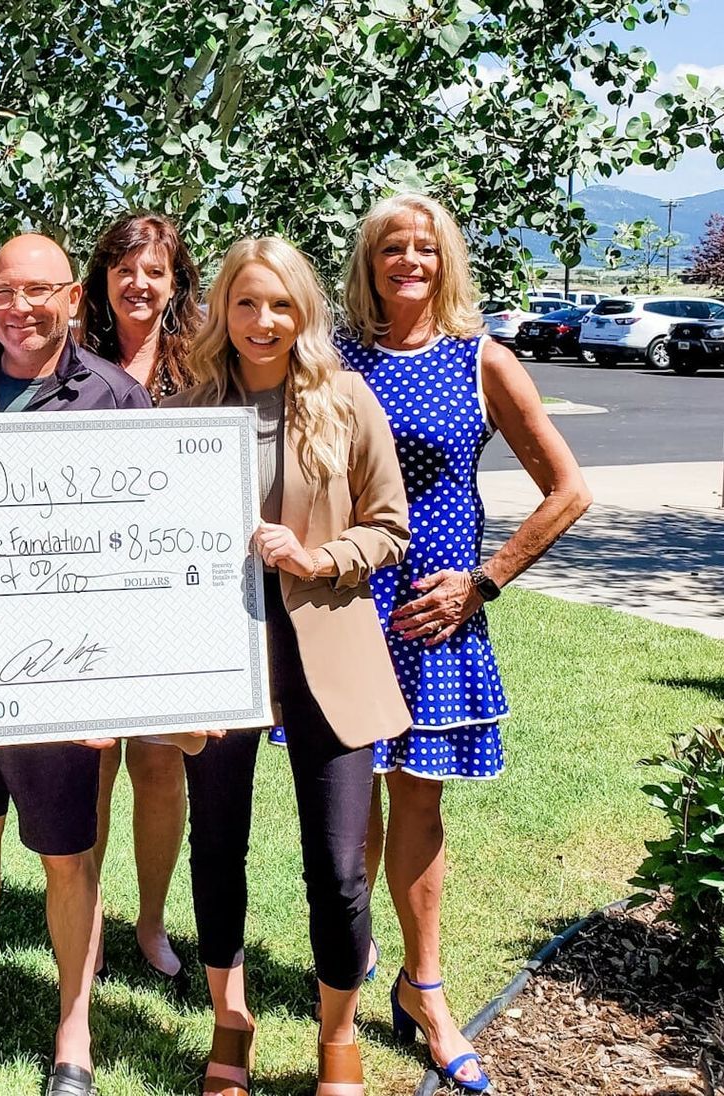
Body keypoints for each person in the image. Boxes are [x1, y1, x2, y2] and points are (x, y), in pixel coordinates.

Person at [339, 194, 591, 1093]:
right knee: (344, 804)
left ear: (447, 262)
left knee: (416, 803)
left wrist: (484, 580)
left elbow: (568, 489)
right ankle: (353, 955)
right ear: (367, 263)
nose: (409, 262)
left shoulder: (481, 359)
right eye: (391, 249)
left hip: (435, 617)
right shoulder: (330, 357)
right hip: (339, 611)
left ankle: (426, 988)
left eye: (425, 249)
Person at [161, 235, 411, 1096]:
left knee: (339, 867)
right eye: (245, 303)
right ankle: (231, 1024)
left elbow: (388, 527)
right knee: (216, 847)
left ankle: (337, 1040)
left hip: (328, 659)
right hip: (221, 658)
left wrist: (318, 558)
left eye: (279, 305)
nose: (262, 321)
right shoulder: (188, 409)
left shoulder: (347, 402)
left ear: (303, 311)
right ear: (221, 312)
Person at [0, 234, 148, 1096]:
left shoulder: (117, 397)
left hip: (62, 669)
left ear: (73, 296)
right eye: (5, 291)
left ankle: (72, 1025)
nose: (20, 308)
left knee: (65, 853)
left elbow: (139, 549)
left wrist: (115, 683)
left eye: (39, 291)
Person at [76, 211, 204, 993]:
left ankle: (150, 921)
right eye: (125, 269)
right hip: (87, 598)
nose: (140, 284)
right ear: (103, 278)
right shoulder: (71, 362)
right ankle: (83, 922)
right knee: (90, 768)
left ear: (175, 280)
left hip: (172, 602)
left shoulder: (203, 367)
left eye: (155, 271)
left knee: (160, 768)